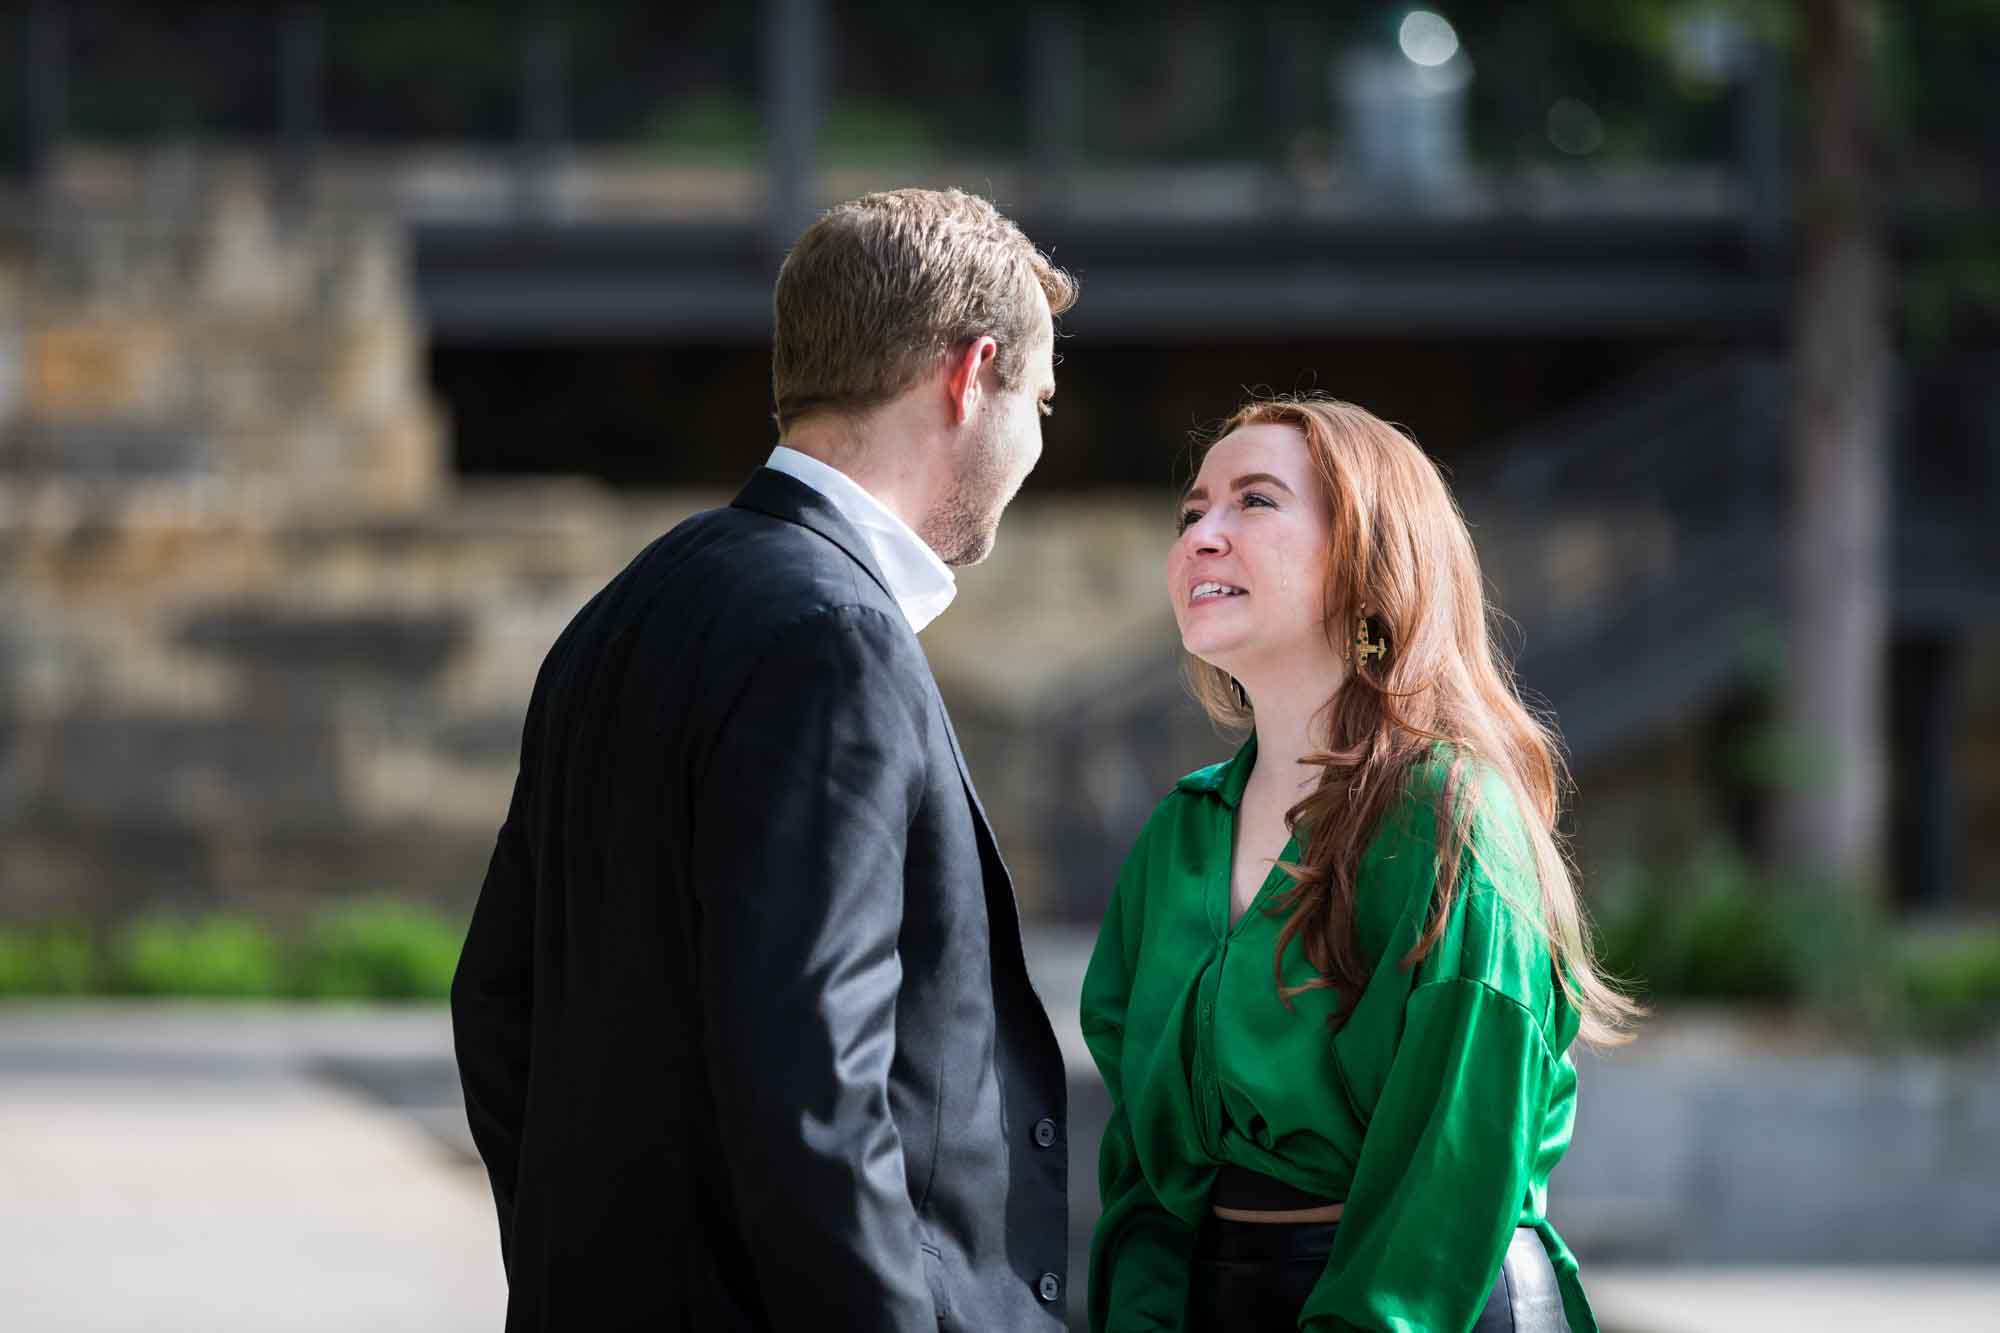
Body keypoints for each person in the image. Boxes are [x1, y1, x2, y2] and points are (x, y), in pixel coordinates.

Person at [451, 188, 1076, 1332]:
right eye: (1035, 400)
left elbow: (496, 1000)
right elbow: (812, 1083)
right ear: (967, 373)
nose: (1037, 441)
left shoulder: (624, 609)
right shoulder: (834, 637)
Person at [1082, 396, 1641, 1332]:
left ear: (1369, 555)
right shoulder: (1179, 835)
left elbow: (1450, 1171)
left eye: (1255, 501)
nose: (1202, 536)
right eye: (1191, 512)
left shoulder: (1449, 814)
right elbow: (1141, 1174)